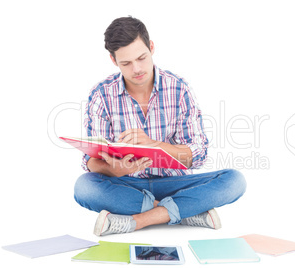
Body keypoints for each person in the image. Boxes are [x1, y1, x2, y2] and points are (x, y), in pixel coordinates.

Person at [73, 16, 247, 236]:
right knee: (84, 187)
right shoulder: (101, 94)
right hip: (127, 185)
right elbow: (91, 162)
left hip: (175, 183)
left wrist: (155, 144)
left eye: (142, 58)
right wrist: (114, 169)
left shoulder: (178, 88)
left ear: (152, 47)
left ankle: (138, 220)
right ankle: (185, 212)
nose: (136, 68)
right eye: (126, 63)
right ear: (113, 60)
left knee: (234, 181)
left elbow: (198, 154)